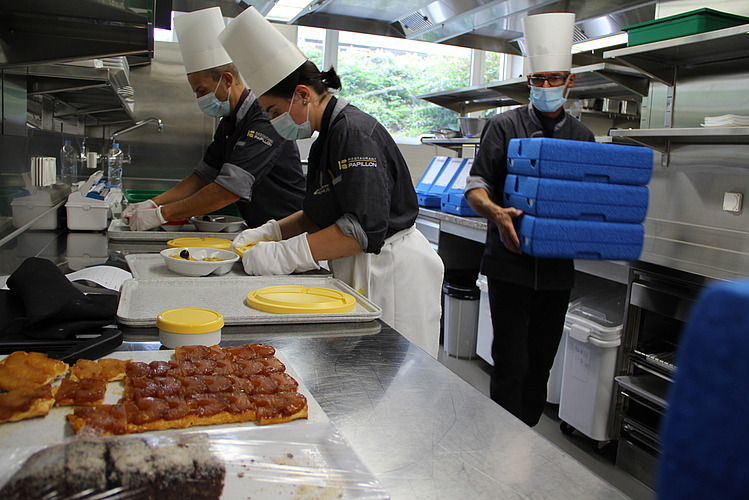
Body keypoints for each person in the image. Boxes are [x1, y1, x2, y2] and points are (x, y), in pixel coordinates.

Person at [217, 7, 444, 357]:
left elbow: (360, 231)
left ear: (303, 95)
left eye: (275, 112)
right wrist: (271, 232)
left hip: (391, 271)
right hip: (362, 265)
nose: (275, 123)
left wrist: (283, 255)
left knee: (392, 373)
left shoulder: (354, 134)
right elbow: (316, 214)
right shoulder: (327, 138)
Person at [464, 12, 595, 426]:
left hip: (557, 271)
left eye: (554, 79)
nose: (545, 88)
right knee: (511, 362)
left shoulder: (583, 137)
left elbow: (586, 197)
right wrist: (497, 211)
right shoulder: (503, 126)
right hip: (510, 264)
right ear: (529, 83)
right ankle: (504, 439)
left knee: (540, 364)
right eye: (538, 80)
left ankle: (529, 441)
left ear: (569, 82)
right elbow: (476, 186)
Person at [123, 7, 305, 231]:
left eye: (202, 90)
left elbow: (228, 190)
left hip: (289, 228)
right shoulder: (229, 122)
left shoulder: (263, 119)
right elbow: (203, 176)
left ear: (227, 80)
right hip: (262, 228)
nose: (201, 99)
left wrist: (161, 214)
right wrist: (153, 203)